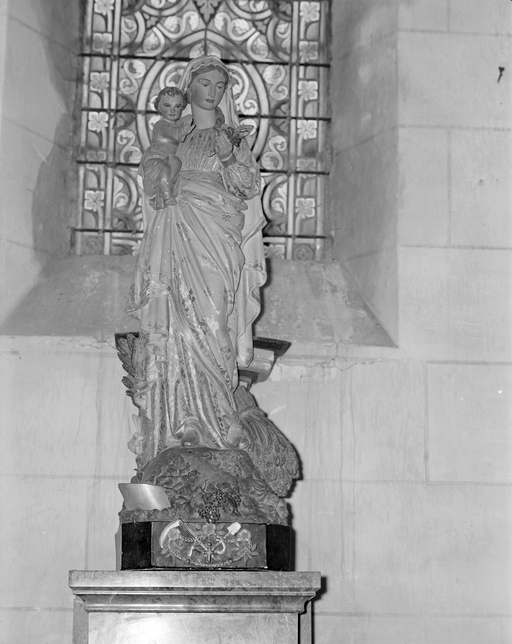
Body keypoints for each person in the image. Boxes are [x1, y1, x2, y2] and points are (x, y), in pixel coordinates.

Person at [126, 55, 267, 470]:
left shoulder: (232, 137)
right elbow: (152, 180)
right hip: (176, 230)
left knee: (212, 320)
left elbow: (248, 186)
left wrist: (229, 158)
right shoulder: (175, 135)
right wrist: (160, 168)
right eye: (205, 83)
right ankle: (181, 421)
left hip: (216, 235)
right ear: (188, 87)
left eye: (220, 86)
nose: (213, 92)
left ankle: (220, 422)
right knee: (176, 325)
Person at [139, 86, 189, 209]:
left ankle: (164, 191)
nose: (172, 110)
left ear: (183, 107)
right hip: (154, 161)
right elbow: (172, 132)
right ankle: (166, 196)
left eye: (177, 106)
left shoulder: (178, 124)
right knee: (164, 169)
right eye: (167, 105)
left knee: (176, 163)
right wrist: (183, 131)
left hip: (168, 159)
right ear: (159, 107)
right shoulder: (161, 125)